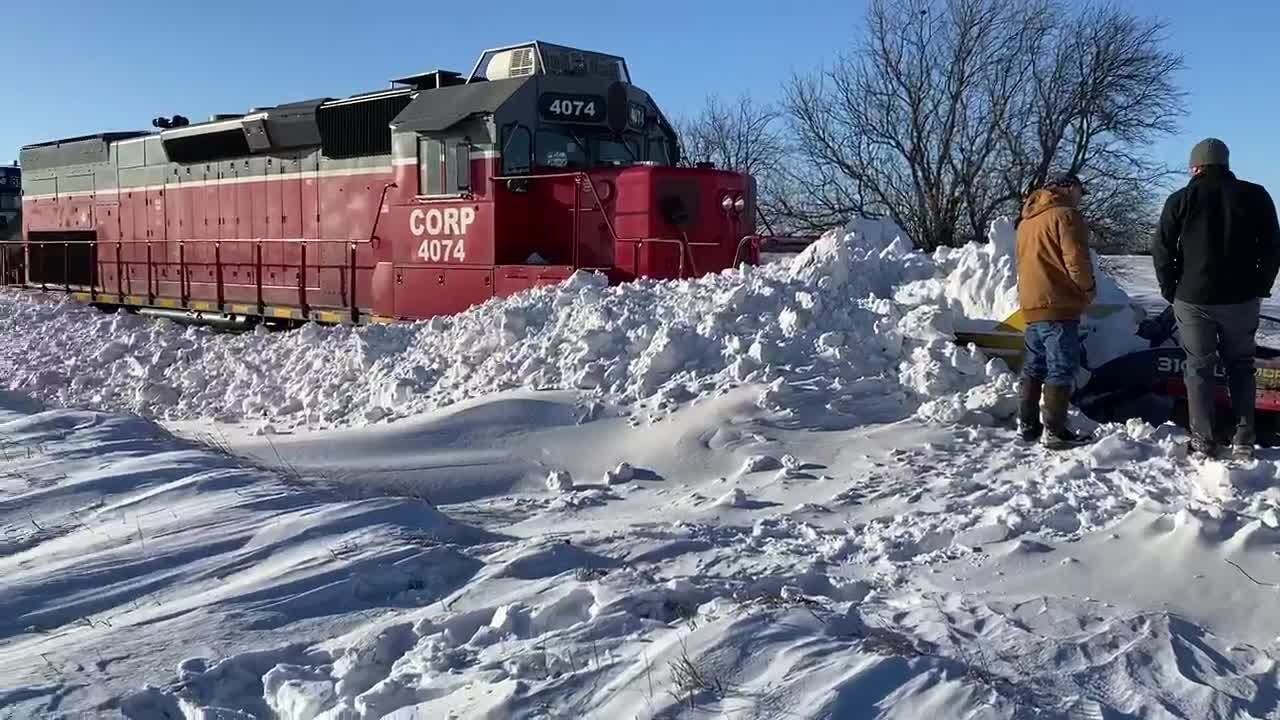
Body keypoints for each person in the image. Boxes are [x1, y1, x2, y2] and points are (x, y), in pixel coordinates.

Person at [1152, 138, 1280, 458]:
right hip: (1242, 297)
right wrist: (1261, 284)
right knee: (1240, 365)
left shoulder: (1181, 199)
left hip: (1193, 298)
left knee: (1198, 367)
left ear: (1196, 167)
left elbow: (1162, 248)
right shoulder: (1256, 195)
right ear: (1226, 163)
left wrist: (1171, 288)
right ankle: (1243, 438)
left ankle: (1203, 439)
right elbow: (1272, 247)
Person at [1015, 172, 1097, 449]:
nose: (1080, 199)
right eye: (1079, 192)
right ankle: (1056, 431)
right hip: (1059, 303)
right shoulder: (1065, 215)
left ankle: (1027, 425)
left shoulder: (1028, 220)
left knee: (1034, 366)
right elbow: (1076, 259)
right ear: (1068, 188)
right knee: (1061, 366)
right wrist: (1087, 291)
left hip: (1032, 303)